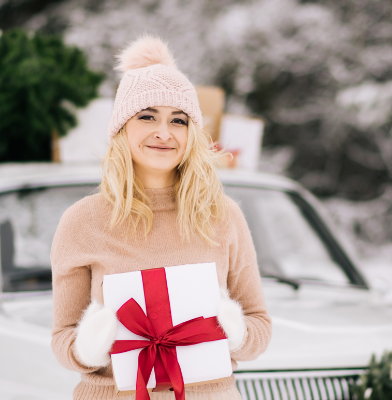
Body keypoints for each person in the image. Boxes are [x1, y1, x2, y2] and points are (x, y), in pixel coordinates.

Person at [50, 35, 271, 400]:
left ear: (193, 133)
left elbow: (259, 322)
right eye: (147, 116)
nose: (164, 133)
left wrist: (238, 333)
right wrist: (86, 349)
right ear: (122, 127)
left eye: (179, 120)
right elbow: (63, 337)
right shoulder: (82, 222)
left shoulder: (223, 215)